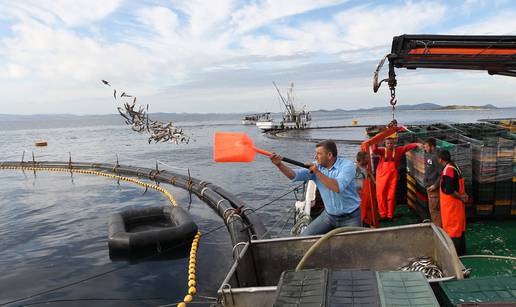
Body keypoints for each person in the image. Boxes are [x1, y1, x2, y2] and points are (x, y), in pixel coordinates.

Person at [270, 140, 361, 235]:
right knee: (304, 237)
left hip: (351, 217)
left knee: (353, 246)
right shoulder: (317, 166)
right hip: (329, 216)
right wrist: (279, 165)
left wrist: (317, 172)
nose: (315, 157)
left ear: (329, 155)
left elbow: (337, 187)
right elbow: (294, 175)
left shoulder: (347, 166)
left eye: (319, 154)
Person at [372, 134, 422, 221]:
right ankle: (383, 215)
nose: (389, 145)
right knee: (380, 196)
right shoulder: (382, 151)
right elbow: (374, 150)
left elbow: (407, 147)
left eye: (391, 143)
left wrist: (416, 144)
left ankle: (390, 215)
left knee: (391, 196)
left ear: (394, 143)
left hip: (392, 177)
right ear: (385, 144)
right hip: (381, 178)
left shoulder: (398, 150)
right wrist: (376, 142)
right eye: (388, 143)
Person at [438, 150, 468, 256]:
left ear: (441, 159)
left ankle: (455, 254)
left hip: (451, 205)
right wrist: (463, 196)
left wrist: (460, 197)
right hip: (458, 204)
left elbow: (449, 190)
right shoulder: (455, 166)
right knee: (459, 228)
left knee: (452, 229)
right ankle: (462, 251)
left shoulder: (448, 171)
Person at [423, 137, 442, 227]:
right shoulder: (428, 155)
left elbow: (441, 173)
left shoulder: (435, 157)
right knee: (433, 209)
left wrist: (435, 185)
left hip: (433, 187)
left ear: (432, 147)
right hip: (429, 186)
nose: (425, 148)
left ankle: (438, 229)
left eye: (426, 146)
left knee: (435, 210)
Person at [355, 151, 375, 226]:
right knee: (363, 211)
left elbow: (367, 172)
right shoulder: (357, 170)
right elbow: (358, 188)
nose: (368, 160)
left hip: (366, 195)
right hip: (361, 196)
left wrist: (372, 178)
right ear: (361, 160)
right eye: (367, 158)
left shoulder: (363, 168)